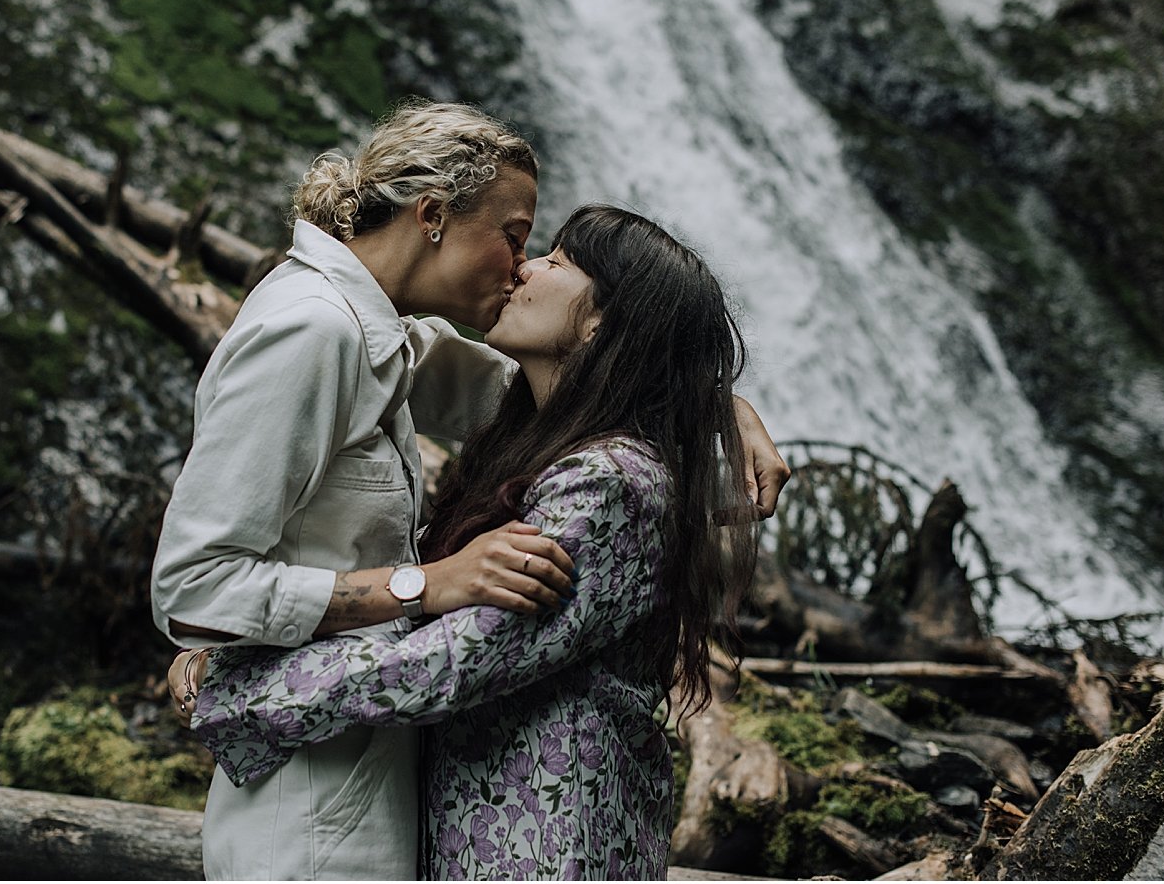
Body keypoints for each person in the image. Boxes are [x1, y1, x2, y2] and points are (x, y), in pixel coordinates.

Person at [152, 100, 790, 879]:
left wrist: (717, 403)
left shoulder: (382, 339)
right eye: (517, 239)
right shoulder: (315, 330)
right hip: (315, 794)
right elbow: (193, 590)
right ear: (431, 217)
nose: (521, 266)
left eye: (544, 254)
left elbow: (575, 385)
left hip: (398, 779)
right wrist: (425, 584)